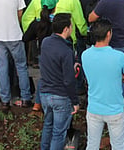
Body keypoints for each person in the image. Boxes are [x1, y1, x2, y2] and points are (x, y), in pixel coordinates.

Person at [82, 18, 124, 150]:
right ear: (109, 34)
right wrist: (116, 77)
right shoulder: (119, 56)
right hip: (115, 110)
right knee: (118, 146)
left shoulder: (85, 55)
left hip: (93, 108)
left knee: (92, 145)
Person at [39, 13, 79, 150]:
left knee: (48, 126)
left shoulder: (45, 42)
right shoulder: (66, 51)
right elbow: (68, 80)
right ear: (66, 29)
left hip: (45, 94)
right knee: (59, 133)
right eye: (71, 26)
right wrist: (75, 101)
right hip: (60, 96)